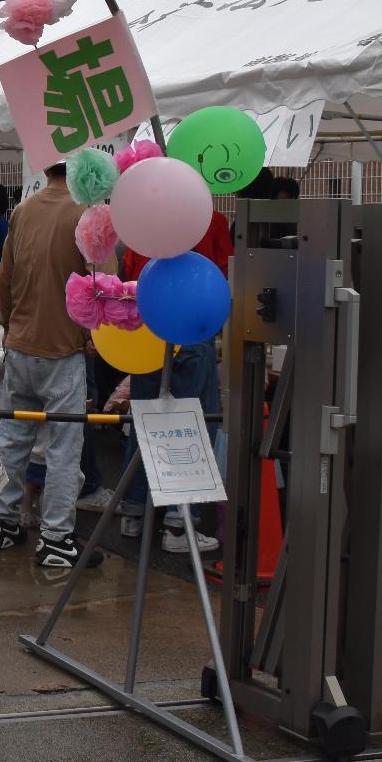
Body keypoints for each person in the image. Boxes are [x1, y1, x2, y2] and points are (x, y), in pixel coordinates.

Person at [0, 162, 99, 571]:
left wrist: (11, 323)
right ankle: (55, 536)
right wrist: (90, 336)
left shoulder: (23, 209)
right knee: (65, 448)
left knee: (13, 438)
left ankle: (3, 521)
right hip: (62, 347)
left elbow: (5, 277)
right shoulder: (87, 213)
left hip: (21, 342)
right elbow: (102, 283)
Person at [119, 209, 234, 554]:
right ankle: (178, 525)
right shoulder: (210, 220)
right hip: (192, 328)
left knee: (144, 422)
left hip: (144, 330)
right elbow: (225, 274)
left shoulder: (141, 218)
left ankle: (133, 513)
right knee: (193, 424)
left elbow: (129, 271)